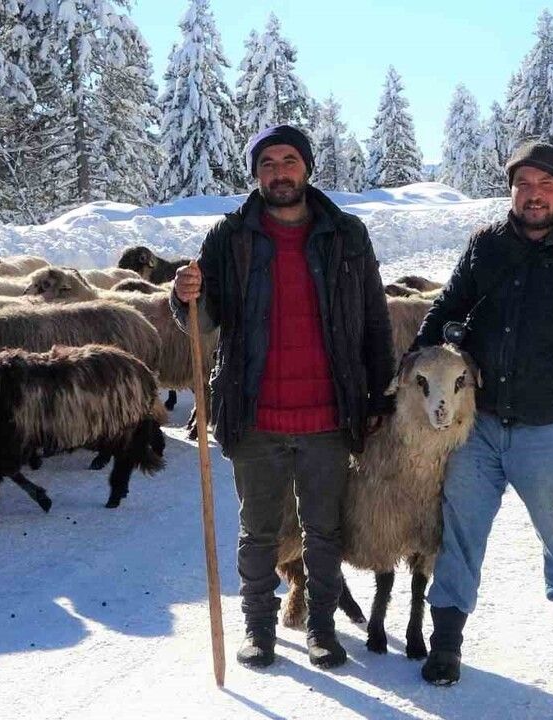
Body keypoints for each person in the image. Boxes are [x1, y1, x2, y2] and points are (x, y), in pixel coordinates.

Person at [408, 141, 553, 686]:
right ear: (511, 191)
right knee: (459, 532)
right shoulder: (487, 245)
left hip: (551, 425)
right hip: (480, 425)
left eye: (546, 185)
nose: (534, 195)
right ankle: (445, 644)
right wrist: (415, 358)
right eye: (523, 185)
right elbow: (448, 306)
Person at [170, 125, 395, 670]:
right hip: (256, 413)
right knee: (259, 532)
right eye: (267, 163)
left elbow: (373, 318)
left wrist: (379, 397)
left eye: (289, 160)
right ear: (256, 174)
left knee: (324, 531)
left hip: (327, 412)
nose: (279, 172)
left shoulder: (346, 234)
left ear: (307, 167)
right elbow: (203, 319)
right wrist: (184, 297)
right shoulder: (230, 237)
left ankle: (321, 629)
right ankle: (258, 627)